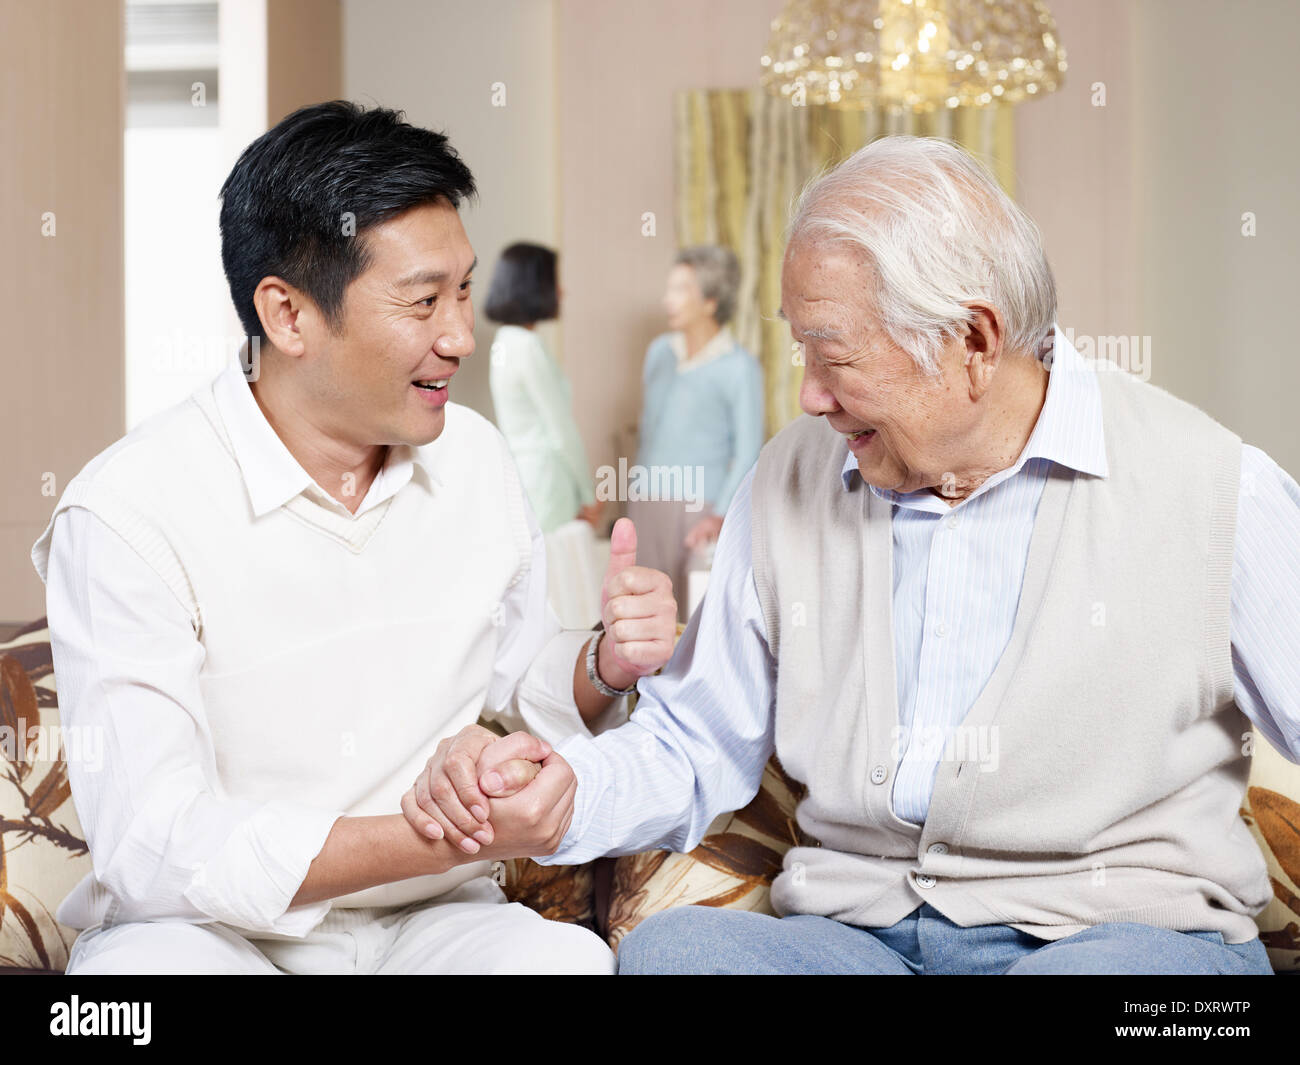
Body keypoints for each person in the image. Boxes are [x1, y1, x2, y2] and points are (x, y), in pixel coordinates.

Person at [406, 135, 1300, 975]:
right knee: (678, 956)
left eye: (832, 357)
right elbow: (692, 739)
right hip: (860, 941)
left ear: (975, 342)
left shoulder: (1217, 487)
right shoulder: (792, 475)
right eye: (799, 351)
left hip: (1123, 940)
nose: (809, 396)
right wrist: (564, 789)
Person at [29, 101, 676, 975]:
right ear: (287, 316)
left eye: (462, 289)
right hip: (202, 931)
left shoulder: (476, 459)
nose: (460, 335)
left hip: (434, 917)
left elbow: (524, 683)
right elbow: (156, 847)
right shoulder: (128, 511)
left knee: (564, 964)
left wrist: (607, 665)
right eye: (422, 301)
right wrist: (438, 837)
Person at [629, 245, 764, 622]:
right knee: (643, 613)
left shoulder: (740, 367)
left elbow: (750, 448)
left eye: (680, 289)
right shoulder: (658, 353)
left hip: (701, 510)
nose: (666, 299)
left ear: (710, 301)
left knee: (695, 618)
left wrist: (719, 515)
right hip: (648, 501)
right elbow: (649, 431)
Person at [486, 243, 603, 534]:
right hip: (548, 483)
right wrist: (589, 495)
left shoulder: (504, 341)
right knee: (556, 572)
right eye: (553, 281)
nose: (561, 291)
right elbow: (560, 430)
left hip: (524, 478)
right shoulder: (528, 346)